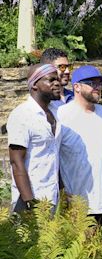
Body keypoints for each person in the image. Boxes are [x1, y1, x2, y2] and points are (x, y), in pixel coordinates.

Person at [58, 65, 102, 224]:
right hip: (79, 204)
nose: (98, 88)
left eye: (100, 84)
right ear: (76, 86)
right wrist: (63, 194)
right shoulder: (62, 115)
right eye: (92, 83)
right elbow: (54, 157)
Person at [7, 64, 61, 212]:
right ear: (35, 85)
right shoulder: (22, 115)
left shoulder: (57, 112)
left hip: (52, 195)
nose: (57, 83)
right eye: (51, 80)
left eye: (57, 79)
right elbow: (16, 161)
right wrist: (29, 201)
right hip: (30, 199)